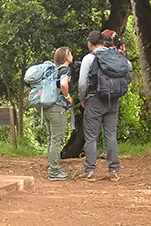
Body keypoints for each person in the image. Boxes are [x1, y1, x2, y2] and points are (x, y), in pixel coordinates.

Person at [78, 30, 132, 182]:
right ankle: (114, 171)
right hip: (113, 99)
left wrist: (82, 98)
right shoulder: (116, 56)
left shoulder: (89, 58)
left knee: (91, 137)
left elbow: (82, 83)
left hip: (94, 100)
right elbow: (128, 67)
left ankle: (90, 171)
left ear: (90, 44)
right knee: (111, 135)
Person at [45, 47, 75, 181]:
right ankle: (54, 172)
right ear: (67, 57)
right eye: (70, 54)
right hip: (58, 108)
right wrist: (67, 96)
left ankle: (52, 167)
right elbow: (63, 84)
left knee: (51, 139)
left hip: (47, 108)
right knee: (56, 140)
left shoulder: (52, 70)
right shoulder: (65, 70)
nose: (72, 56)